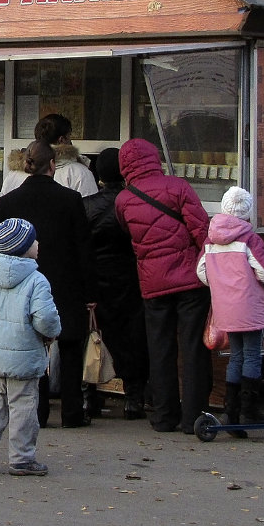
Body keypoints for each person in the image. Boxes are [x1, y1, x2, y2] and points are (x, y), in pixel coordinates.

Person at [114, 137, 212, 434]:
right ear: (153, 158)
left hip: (152, 283)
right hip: (190, 280)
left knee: (160, 349)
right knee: (194, 348)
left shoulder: (123, 199)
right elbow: (202, 230)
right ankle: (194, 416)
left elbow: (128, 233)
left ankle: (164, 415)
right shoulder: (179, 187)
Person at [0, 140, 92, 428]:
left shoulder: (9, 201)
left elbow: (1, 246)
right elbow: (84, 248)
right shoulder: (71, 200)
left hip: (26, 284)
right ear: (53, 165)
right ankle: (72, 412)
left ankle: (38, 412)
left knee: (34, 347)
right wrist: (90, 292)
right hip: (66, 284)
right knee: (72, 346)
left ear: (27, 165)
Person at [0, 218, 62, 477]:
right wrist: (52, 334)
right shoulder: (36, 280)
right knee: (24, 405)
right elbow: (46, 319)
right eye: (33, 241)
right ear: (24, 248)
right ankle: (21, 458)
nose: (37, 243)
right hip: (26, 354)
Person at [196, 186, 264, 437]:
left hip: (225, 308)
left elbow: (202, 272)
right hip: (249, 306)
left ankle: (230, 410)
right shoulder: (249, 239)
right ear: (247, 213)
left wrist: (221, 286)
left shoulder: (211, 239)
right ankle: (249, 409)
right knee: (253, 355)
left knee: (235, 356)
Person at [81, 147, 149, 420]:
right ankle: (134, 399)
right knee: (132, 337)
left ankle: (91, 397)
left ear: (98, 176)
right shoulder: (135, 202)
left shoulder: (86, 205)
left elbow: (81, 246)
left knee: (94, 337)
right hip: (130, 278)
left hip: (96, 280)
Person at [34, 113, 98, 196]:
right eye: (69, 135)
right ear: (62, 139)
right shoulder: (79, 173)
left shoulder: (18, 172)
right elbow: (89, 206)